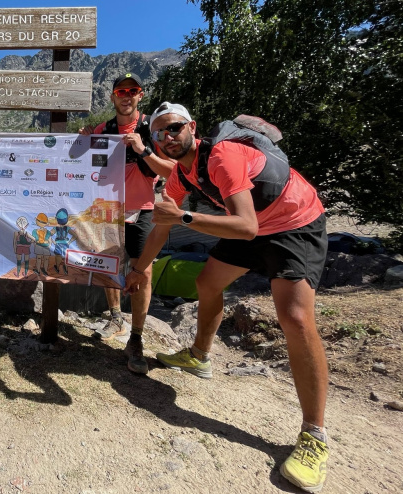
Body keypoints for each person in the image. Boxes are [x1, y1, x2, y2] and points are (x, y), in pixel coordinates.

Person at [127, 102, 330, 492]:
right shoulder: (181, 176)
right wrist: (138, 271)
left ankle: (314, 435)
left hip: (293, 224)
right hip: (255, 227)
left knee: (297, 319)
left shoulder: (221, 155)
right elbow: (159, 230)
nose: (168, 138)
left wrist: (185, 218)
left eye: (175, 129)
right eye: (160, 133)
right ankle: (199, 356)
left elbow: (245, 225)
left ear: (192, 127)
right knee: (207, 283)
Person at [79, 73, 174, 374]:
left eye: (132, 91)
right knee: (107, 263)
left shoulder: (151, 128)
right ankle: (115, 317)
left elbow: (173, 170)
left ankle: (136, 337)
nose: (126, 96)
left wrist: (143, 149)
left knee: (142, 269)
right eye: (121, 91)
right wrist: (82, 139)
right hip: (108, 209)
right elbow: (76, 156)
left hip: (143, 208)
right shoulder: (104, 129)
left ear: (140, 95)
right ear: (113, 97)